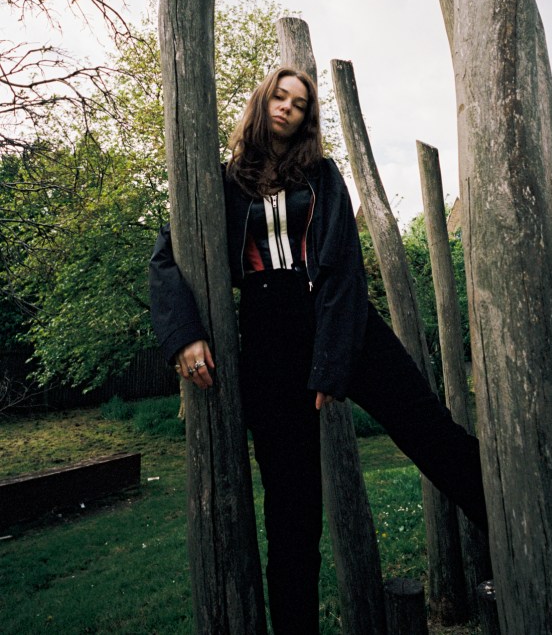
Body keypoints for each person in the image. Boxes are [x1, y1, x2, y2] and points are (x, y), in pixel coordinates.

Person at [149, 66, 487, 635]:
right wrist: (184, 335)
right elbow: (166, 257)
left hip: (341, 318)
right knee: (291, 505)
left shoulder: (324, 175)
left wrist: (330, 365)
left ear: (307, 117)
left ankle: (525, 538)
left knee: (433, 432)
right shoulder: (223, 181)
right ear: (263, 102)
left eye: (299, 103)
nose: (286, 107)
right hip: (268, 337)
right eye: (278, 97)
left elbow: (344, 267)